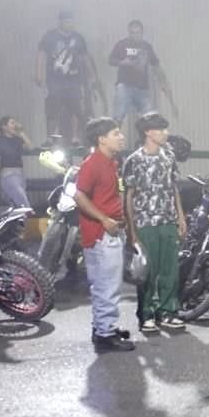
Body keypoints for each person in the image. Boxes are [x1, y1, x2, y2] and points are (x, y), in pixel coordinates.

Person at [122, 113, 187, 333]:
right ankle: (146, 315)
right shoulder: (134, 160)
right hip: (145, 222)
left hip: (167, 220)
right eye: (161, 129)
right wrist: (132, 229)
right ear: (148, 132)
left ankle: (168, 312)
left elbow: (174, 187)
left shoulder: (169, 156)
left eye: (165, 129)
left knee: (170, 269)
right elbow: (129, 196)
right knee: (148, 271)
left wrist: (180, 216)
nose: (165, 133)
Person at [75, 117, 134, 352]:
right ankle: (105, 334)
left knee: (105, 284)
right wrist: (105, 219)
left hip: (108, 231)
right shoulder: (93, 163)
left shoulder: (111, 161)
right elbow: (79, 196)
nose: (121, 137)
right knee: (107, 285)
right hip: (101, 233)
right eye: (116, 133)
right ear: (102, 139)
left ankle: (102, 327)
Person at [36, 10, 103, 146]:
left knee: (76, 108)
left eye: (71, 21)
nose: (69, 24)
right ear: (60, 22)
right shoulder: (50, 36)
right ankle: (50, 137)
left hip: (74, 79)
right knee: (53, 108)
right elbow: (41, 54)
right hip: (55, 79)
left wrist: (92, 76)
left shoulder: (78, 38)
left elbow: (85, 57)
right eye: (67, 21)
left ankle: (75, 138)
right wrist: (38, 73)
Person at [108, 19, 179, 134]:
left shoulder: (147, 46)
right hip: (125, 85)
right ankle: (113, 143)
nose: (135, 35)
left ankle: (149, 147)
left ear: (141, 33)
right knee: (118, 116)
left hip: (142, 88)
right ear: (129, 33)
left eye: (137, 32)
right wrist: (122, 62)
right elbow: (110, 60)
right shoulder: (122, 44)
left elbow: (156, 66)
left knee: (149, 118)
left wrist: (164, 84)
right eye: (132, 32)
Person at [0, 116, 33, 209]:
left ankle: (20, 221)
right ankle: (29, 213)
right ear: (4, 127)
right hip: (8, 175)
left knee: (15, 204)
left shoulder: (17, 140)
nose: (15, 125)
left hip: (20, 174)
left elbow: (30, 147)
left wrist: (21, 132)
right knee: (22, 201)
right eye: (12, 123)